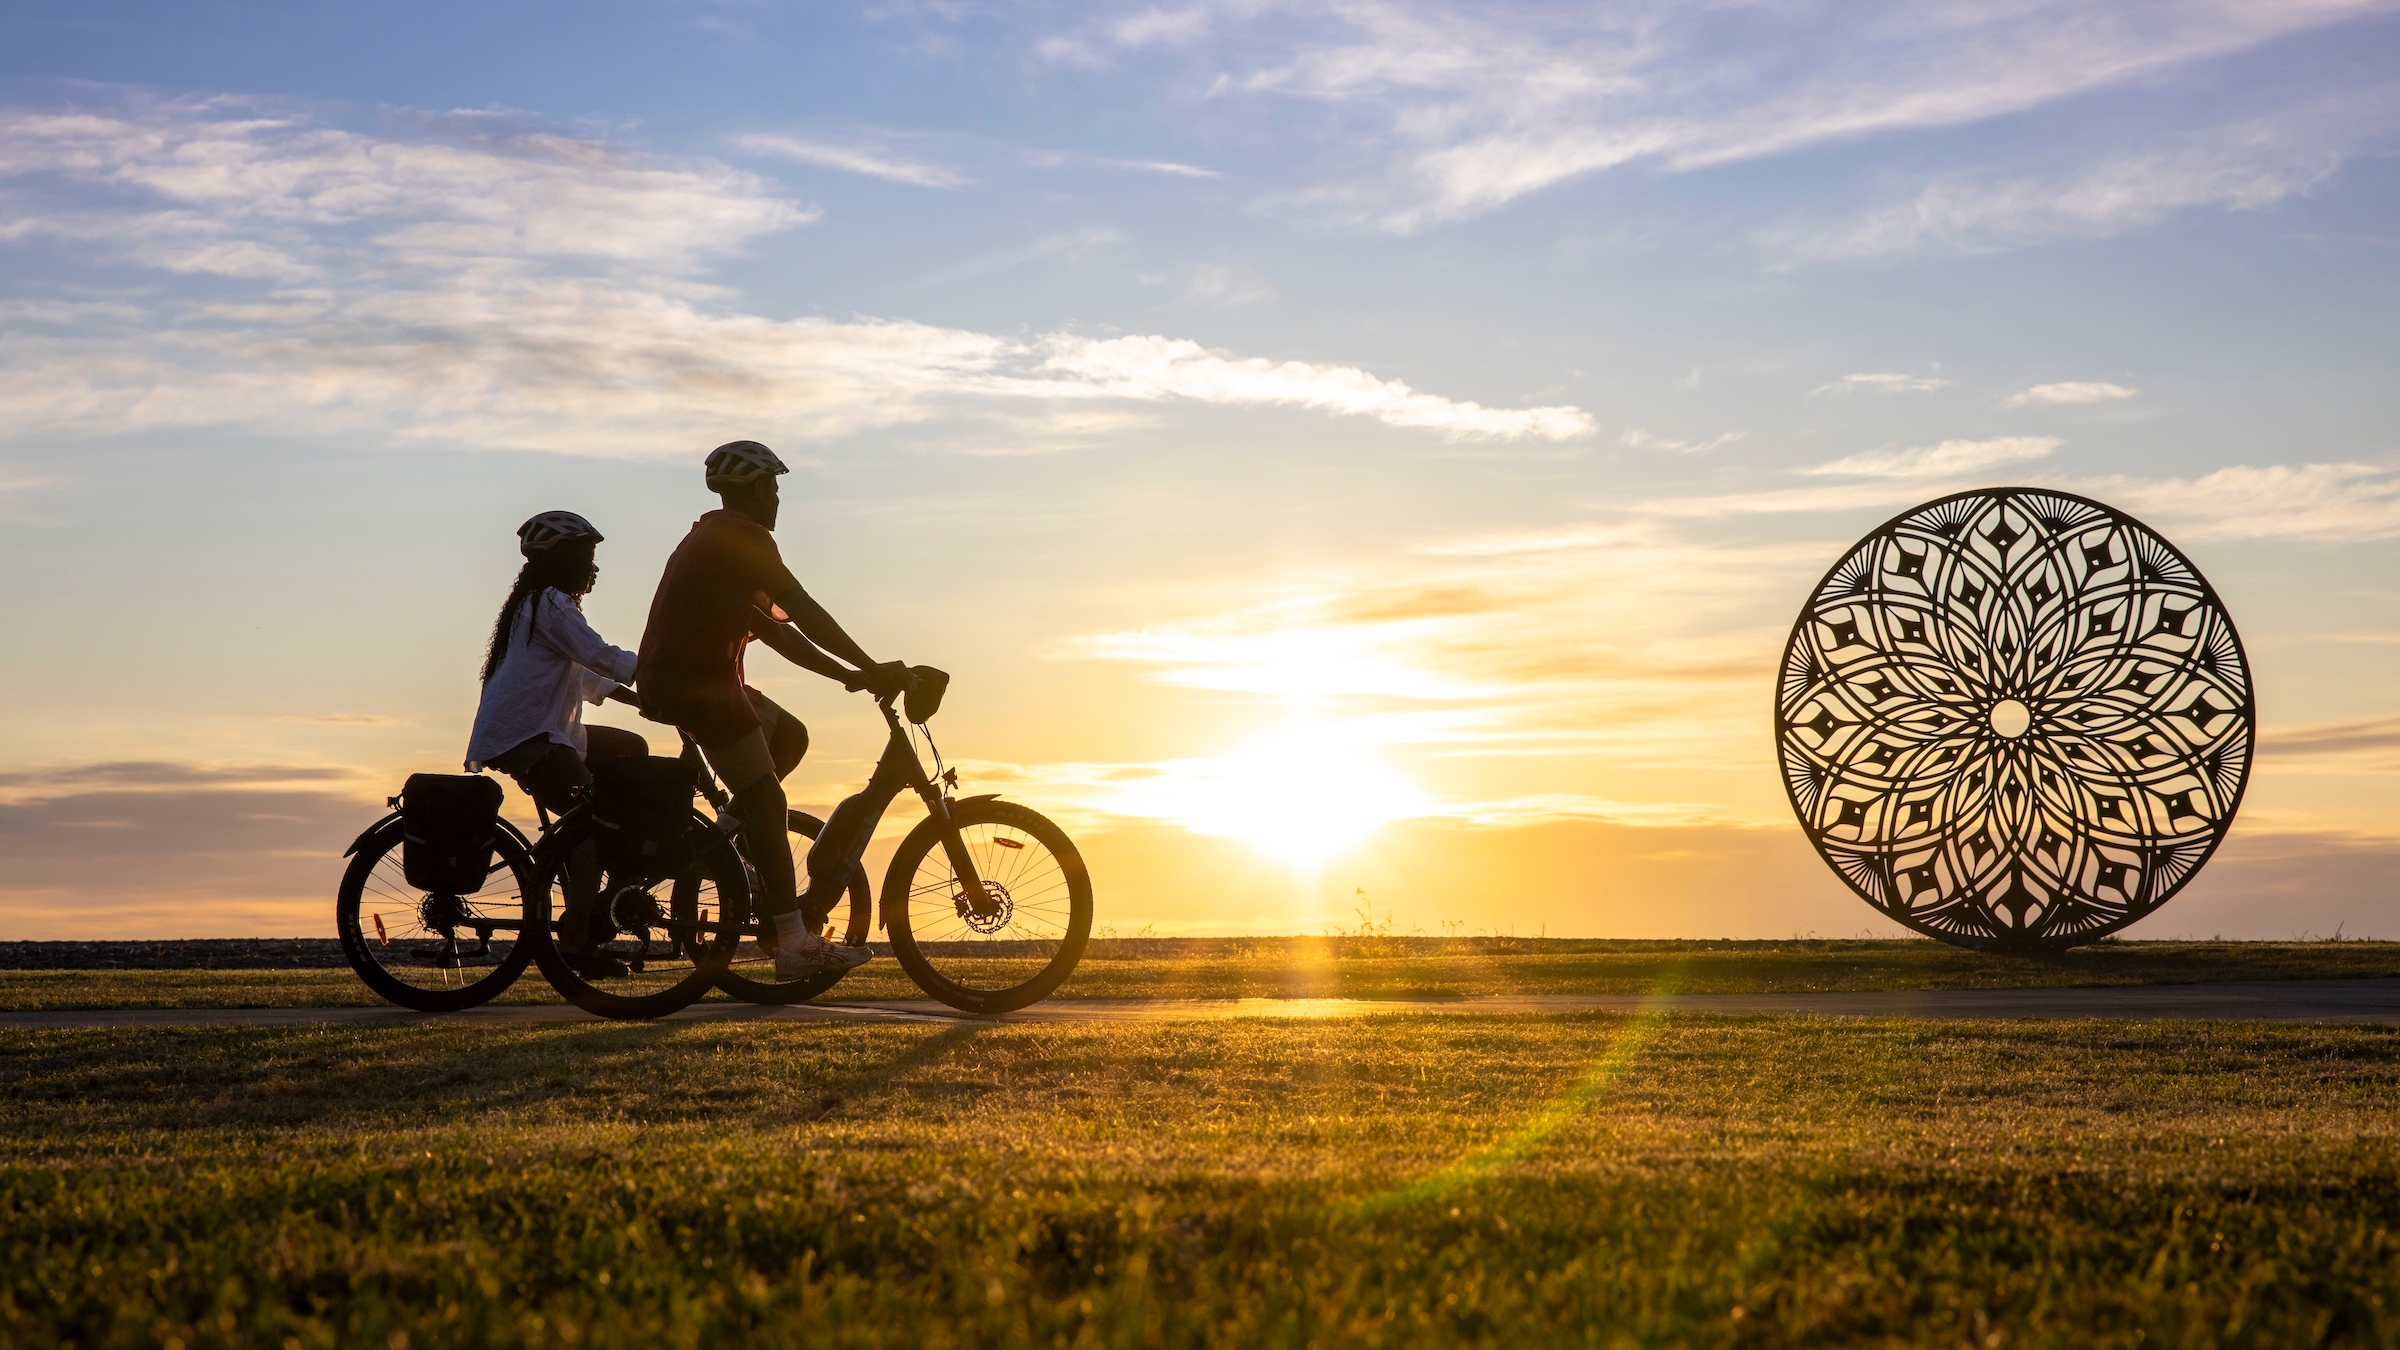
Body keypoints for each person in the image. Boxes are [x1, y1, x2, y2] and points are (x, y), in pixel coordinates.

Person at [635, 441, 909, 979]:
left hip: (701, 682)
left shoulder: (717, 540)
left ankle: (729, 838)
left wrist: (852, 675)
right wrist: (873, 666)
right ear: (759, 490)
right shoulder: (741, 538)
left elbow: (776, 631)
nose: (779, 500)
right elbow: (805, 610)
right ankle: (791, 942)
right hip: (700, 687)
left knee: (790, 738)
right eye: (776, 489)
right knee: (768, 802)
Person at [464, 510, 646, 975]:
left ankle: (604, 891)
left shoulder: (538, 605)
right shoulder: (548, 603)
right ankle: (576, 944)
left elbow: (585, 675)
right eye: (587, 556)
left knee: (633, 751)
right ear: (563, 559)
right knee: (589, 833)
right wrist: (662, 674)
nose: (593, 567)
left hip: (547, 732)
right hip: (528, 736)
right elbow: (598, 654)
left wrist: (646, 702)